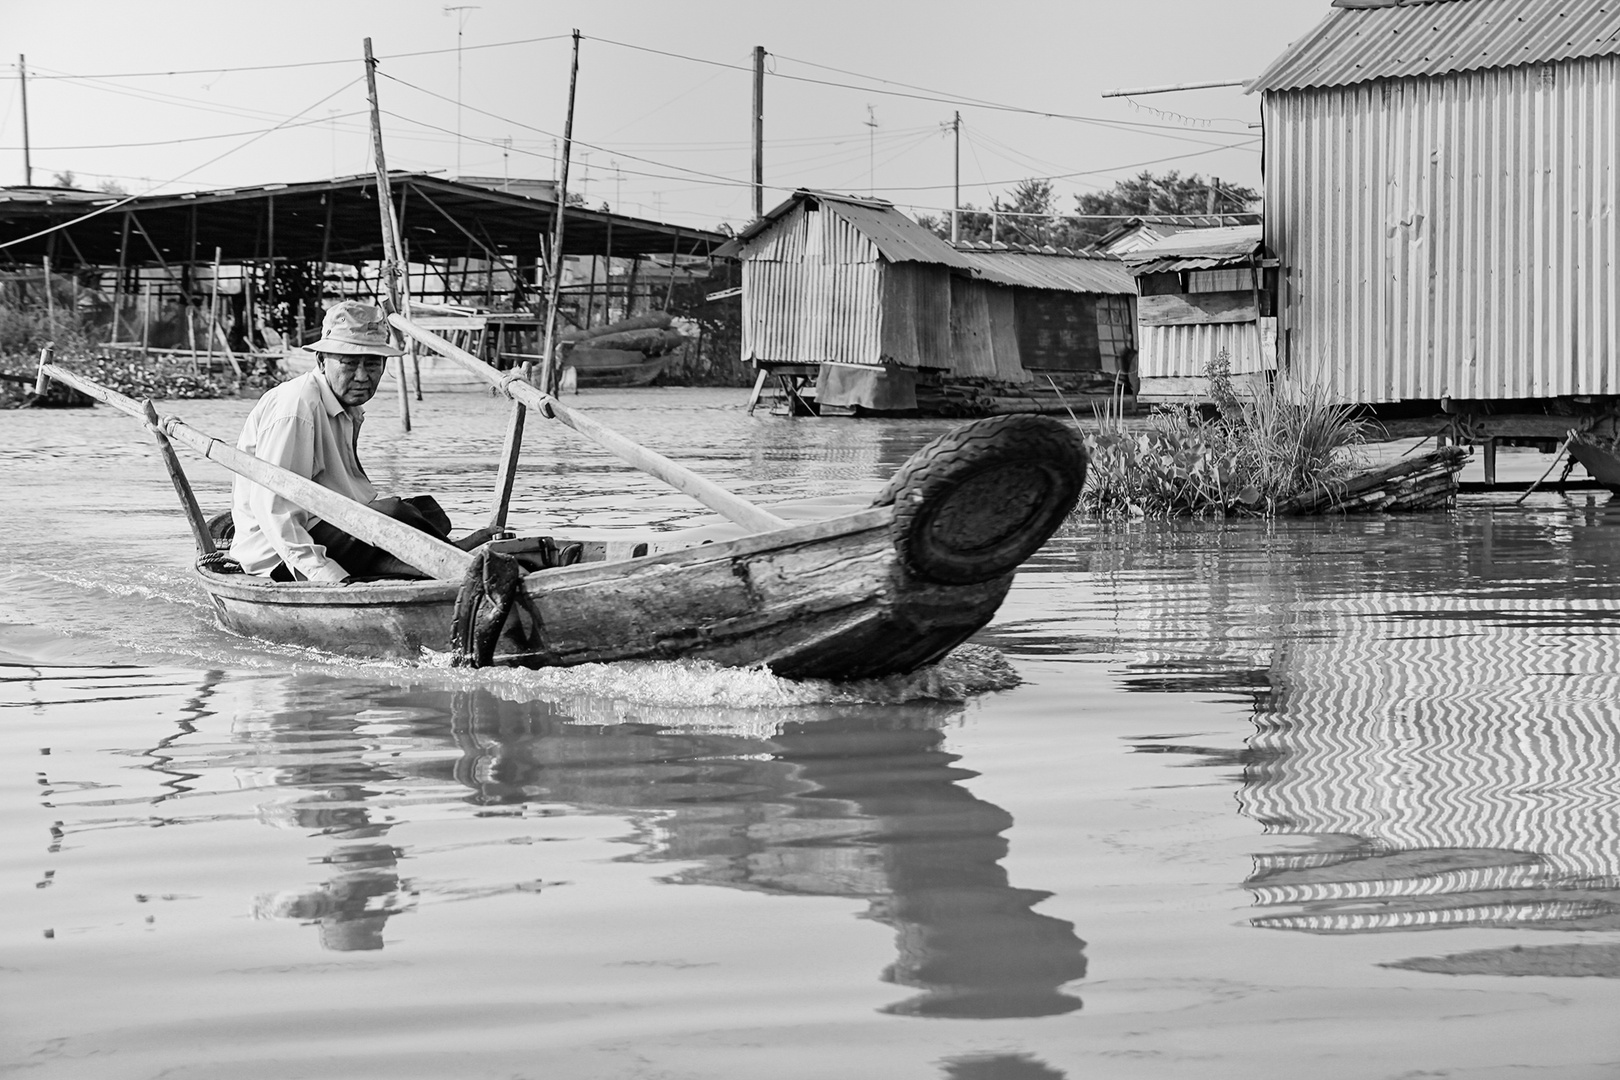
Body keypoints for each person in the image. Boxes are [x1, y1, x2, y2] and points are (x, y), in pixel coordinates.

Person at [228, 300, 483, 583]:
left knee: (424, 510)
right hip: (278, 557)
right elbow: (275, 510)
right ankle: (455, 566)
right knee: (397, 514)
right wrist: (331, 578)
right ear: (322, 361)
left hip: (330, 527)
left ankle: (442, 563)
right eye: (349, 364)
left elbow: (348, 495)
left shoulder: (347, 408)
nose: (362, 376)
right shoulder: (297, 408)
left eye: (372, 364)